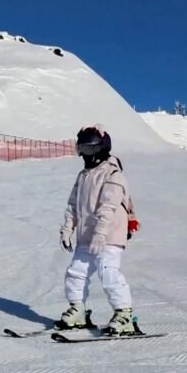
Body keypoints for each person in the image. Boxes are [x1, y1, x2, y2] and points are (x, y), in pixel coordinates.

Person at [57, 125, 139, 335]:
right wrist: (67, 229)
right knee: (75, 273)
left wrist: (101, 234)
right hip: (86, 236)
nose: (86, 154)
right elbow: (73, 205)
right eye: (82, 149)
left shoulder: (113, 174)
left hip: (109, 235)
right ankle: (78, 310)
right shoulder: (83, 175)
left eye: (91, 149)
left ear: (102, 148)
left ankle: (124, 314)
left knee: (108, 272)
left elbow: (108, 207)